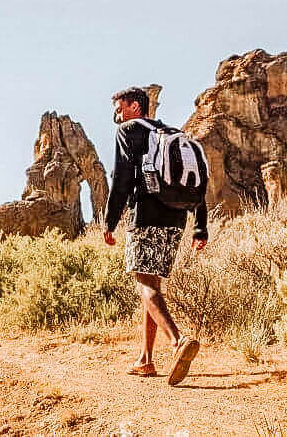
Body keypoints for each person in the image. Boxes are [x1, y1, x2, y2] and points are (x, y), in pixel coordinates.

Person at [103, 87, 208, 386]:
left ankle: (177, 341)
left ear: (135, 106)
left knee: (143, 283)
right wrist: (200, 226)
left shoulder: (129, 130)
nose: (117, 115)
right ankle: (145, 359)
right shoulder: (173, 133)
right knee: (153, 285)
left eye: (120, 108)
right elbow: (197, 181)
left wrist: (110, 221)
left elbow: (122, 179)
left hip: (146, 215)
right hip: (176, 219)